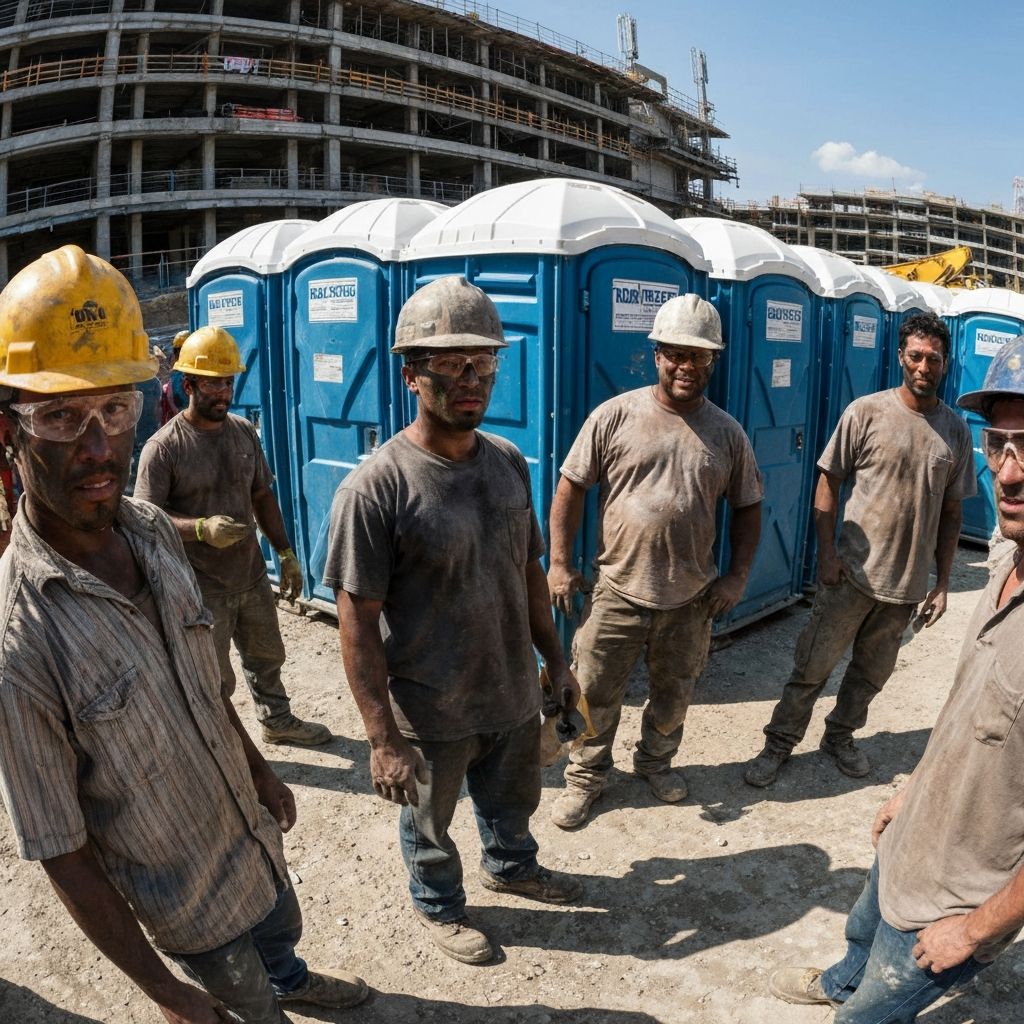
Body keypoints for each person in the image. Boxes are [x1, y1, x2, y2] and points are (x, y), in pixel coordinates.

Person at [0, 245, 366, 1024]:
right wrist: (167, 995)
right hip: (189, 911)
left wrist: (258, 771)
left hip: (248, 837)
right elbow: (60, 847)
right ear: (11, 429)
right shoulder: (19, 640)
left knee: (282, 938)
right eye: (60, 417)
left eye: (114, 409)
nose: (97, 448)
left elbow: (201, 681)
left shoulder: (154, 536)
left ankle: (294, 980)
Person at [326, 276, 583, 965]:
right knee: (430, 823)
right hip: (429, 706)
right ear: (410, 374)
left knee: (514, 797)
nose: (472, 379)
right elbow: (356, 624)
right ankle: (438, 904)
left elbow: (528, 570)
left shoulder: (506, 463)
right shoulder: (376, 488)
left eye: (484, 363)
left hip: (506, 690)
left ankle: (511, 865)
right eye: (449, 364)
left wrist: (556, 665)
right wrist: (381, 737)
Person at [768, 334, 1024, 1022]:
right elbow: (972, 717)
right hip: (917, 835)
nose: (1008, 473)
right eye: (999, 444)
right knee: (860, 931)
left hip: (956, 894)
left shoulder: (948, 439)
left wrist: (975, 930)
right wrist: (914, 788)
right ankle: (841, 979)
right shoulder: (1005, 570)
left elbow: (947, 513)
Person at [547, 293, 764, 830]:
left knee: (674, 693)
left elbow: (749, 507)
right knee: (594, 691)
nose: (687, 365)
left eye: (700, 356)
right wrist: (557, 561)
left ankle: (655, 763)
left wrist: (736, 577)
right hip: (618, 590)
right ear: (658, 355)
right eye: (676, 353)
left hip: (690, 599)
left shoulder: (727, 433)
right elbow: (570, 488)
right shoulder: (616, 416)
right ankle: (586, 777)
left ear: (713, 361)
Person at [743, 312, 975, 788]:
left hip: (905, 588)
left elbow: (952, 513)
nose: (923, 366)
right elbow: (829, 483)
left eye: (933, 359)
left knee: (870, 675)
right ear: (900, 357)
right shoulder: (866, 412)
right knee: (812, 668)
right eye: (915, 356)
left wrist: (943, 582)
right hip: (851, 575)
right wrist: (825, 555)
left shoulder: (954, 431)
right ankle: (778, 744)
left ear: (946, 364)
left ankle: (840, 736)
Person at [135, 326, 329, 746]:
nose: (223, 392)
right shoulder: (164, 448)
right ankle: (218, 745)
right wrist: (201, 529)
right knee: (212, 677)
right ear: (187, 385)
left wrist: (285, 552)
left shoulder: (242, 432)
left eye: (228, 381)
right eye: (212, 383)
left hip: (250, 574)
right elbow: (145, 520)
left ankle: (277, 722)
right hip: (199, 587)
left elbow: (261, 493)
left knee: (267, 657)